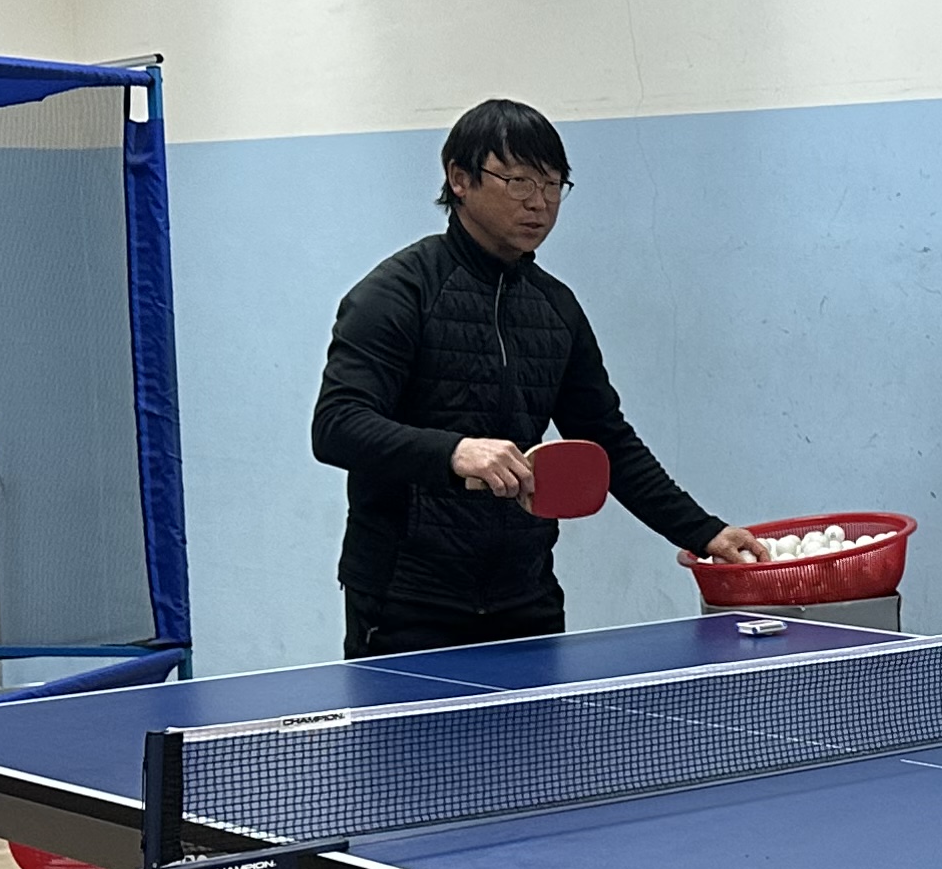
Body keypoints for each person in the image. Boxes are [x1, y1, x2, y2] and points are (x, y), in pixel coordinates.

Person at [312, 99, 762, 659]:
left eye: (553, 184)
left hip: (526, 599)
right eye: (519, 181)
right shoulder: (397, 293)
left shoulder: (556, 308)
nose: (539, 202)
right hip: (406, 604)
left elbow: (606, 439)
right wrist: (454, 452)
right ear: (460, 179)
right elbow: (337, 426)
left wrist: (704, 532)